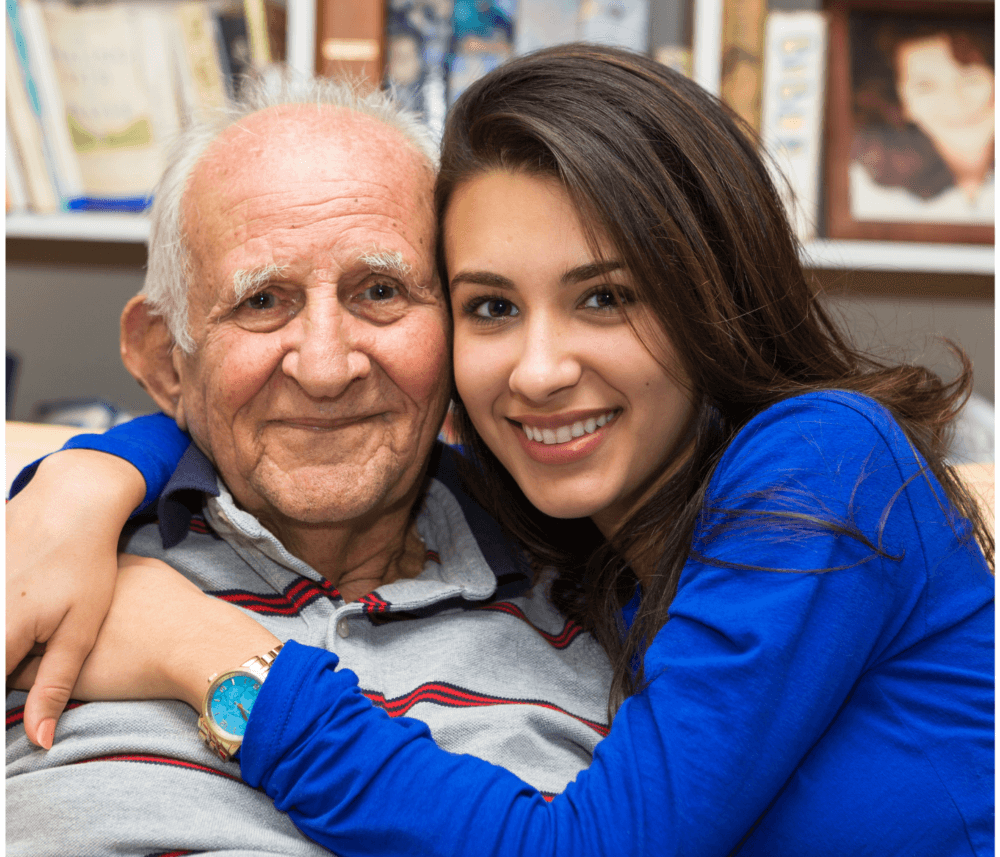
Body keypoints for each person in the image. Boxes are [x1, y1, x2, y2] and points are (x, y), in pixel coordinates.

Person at [9, 44, 993, 856]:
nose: (536, 371)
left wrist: (210, 651)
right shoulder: (583, 551)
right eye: (491, 305)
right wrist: (96, 469)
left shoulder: (822, 466)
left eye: (605, 295)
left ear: (708, 298)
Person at [4, 72, 615, 856]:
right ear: (167, 358)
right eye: (262, 301)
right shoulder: (42, 568)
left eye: (380, 290)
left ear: (464, 334)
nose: (326, 368)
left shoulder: (605, 601)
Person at [850, 17, 994, 224]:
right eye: (925, 87)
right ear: (903, 103)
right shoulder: (865, 190)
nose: (955, 103)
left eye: (970, 78)